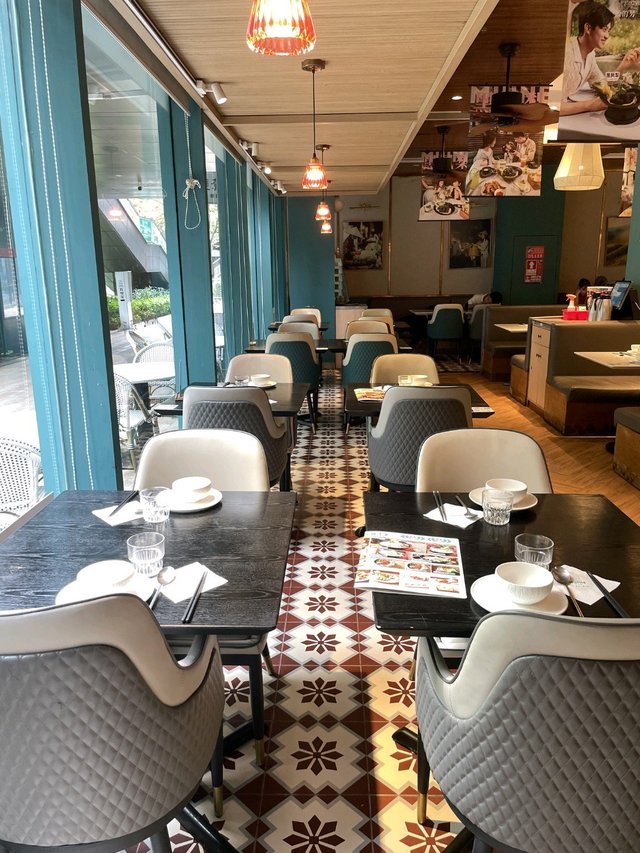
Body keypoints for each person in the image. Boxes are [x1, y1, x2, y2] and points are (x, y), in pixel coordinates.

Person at [561, 1, 640, 116]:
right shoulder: (566, 56)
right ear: (588, 28)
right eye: (604, 29)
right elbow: (550, 103)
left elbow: (603, 86)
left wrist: (624, 65)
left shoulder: (590, 56)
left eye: (608, 31)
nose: (607, 36)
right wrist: (590, 105)